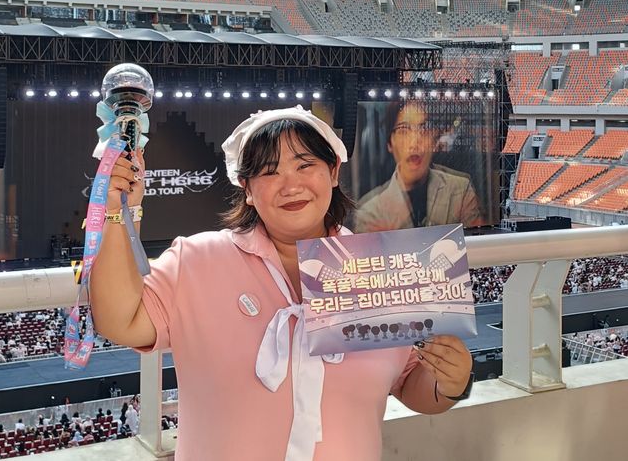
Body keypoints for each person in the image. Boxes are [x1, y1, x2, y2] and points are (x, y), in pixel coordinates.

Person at [90, 105, 473, 460]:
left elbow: (412, 386)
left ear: (333, 173)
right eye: (269, 172)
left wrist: (451, 380)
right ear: (247, 188)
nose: (290, 185)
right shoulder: (197, 261)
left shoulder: (380, 270)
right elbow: (120, 321)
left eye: (305, 165)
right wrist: (117, 210)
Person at [354, 101, 483, 233]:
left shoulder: (459, 190)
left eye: (424, 129)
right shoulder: (369, 212)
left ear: (434, 139)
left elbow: (476, 242)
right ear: (390, 143)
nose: (414, 142)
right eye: (404, 130)